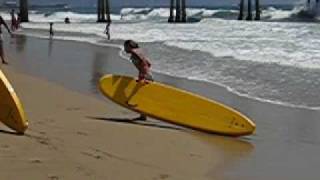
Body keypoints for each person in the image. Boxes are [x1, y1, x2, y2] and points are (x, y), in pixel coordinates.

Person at [124, 40, 153, 121]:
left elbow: (145, 63)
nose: (124, 49)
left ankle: (143, 115)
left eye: (125, 47)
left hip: (145, 76)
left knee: (140, 95)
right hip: (145, 75)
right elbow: (149, 63)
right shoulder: (138, 51)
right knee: (142, 95)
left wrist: (144, 74)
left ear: (129, 46)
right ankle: (143, 116)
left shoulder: (134, 52)